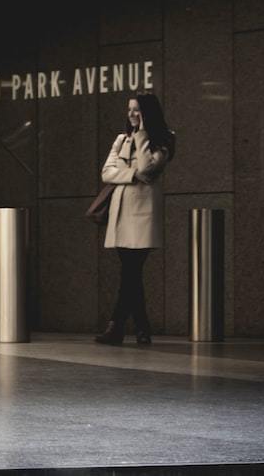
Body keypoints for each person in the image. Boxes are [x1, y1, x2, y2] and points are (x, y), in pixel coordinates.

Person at [95, 93, 174, 346]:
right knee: (131, 274)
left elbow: (148, 170)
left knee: (131, 272)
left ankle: (117, 326)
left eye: (137, 110)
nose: (131, 114)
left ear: (148, 113)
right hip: (121, 215)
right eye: (129, 109)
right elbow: (106, 173)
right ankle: (141, 329)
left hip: (142, 216)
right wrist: (131, 175)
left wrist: (141, 136)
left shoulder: (163, 140)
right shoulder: (121, 139)